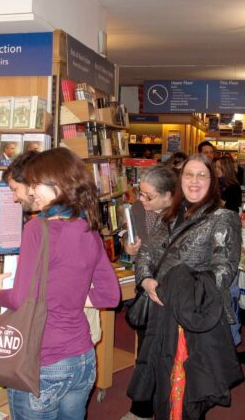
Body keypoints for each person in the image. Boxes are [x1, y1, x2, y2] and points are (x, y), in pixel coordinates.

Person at [0, 147, 120, 420]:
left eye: (36, 183)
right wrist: (68, 297)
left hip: (45, 359)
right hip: (82, 360)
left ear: (57, 184)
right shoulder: (88, 227)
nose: (32, 190)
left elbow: (20, 299)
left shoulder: (38, 228)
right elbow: (110, 296)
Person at [128, 154, 243, 419]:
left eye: (201, 175)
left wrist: (181, 292)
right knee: (161, 380)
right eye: (188, 174)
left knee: (187, 392)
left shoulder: (222, 218)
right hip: (162, 312)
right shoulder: (171, 214)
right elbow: (146, 253)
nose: (194, 181)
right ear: (180, 180)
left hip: (194, 319)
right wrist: (147, 281)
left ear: (212, 181)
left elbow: (224, 271)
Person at [121, 165, 177, 420]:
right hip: (145, 288)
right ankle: (141, 409)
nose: (141, 200)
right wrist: (128, 248)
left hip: (171, 292)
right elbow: (125, 236)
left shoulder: (182, 216)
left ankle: (166, 406)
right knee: (146, 348)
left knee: (170, 353)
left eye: (148, 196)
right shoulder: (136, 209)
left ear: (168, 195)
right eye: (140, 193)